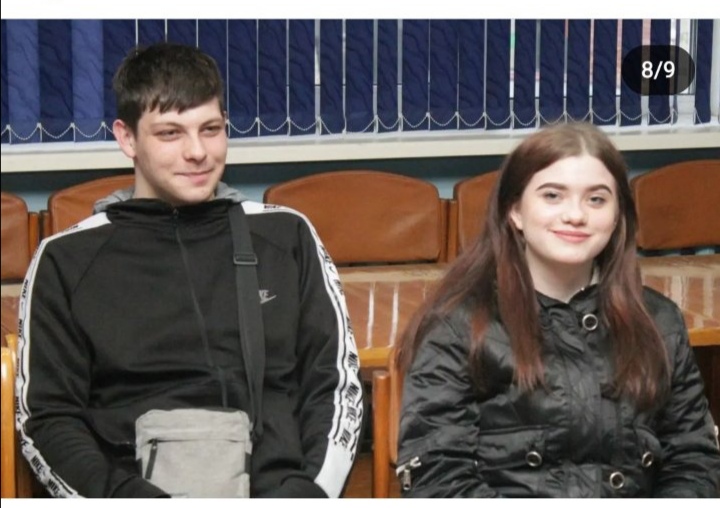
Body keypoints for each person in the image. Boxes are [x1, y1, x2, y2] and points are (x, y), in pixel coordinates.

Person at [16, 42, 363, 498]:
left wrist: (306, 495)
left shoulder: (286, 236)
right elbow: (47, 420)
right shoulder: (66, 259)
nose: (197, 152)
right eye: (170, 133)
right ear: (127, 138)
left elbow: (336, 387)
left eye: (211, 129)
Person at [394, 123, 720, 497]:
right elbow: (439, 480)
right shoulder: (458, 325)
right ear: (515, 211)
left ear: (617, 216)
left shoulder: (659, 322)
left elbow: (694, 459)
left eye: (596, 199)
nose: (576, 215)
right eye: (553, 196)